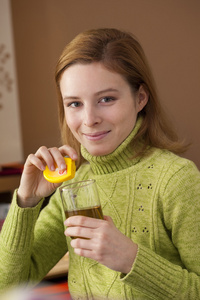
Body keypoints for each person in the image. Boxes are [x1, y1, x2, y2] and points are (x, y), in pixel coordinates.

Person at [0, 28, 200, 300]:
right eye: (74, 103)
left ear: (140, 98)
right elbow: (8, 287)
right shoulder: (72, 183)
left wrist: (131, 260)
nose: (89, 119)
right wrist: (26, 202)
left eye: (106, 99)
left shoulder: (177, 179)